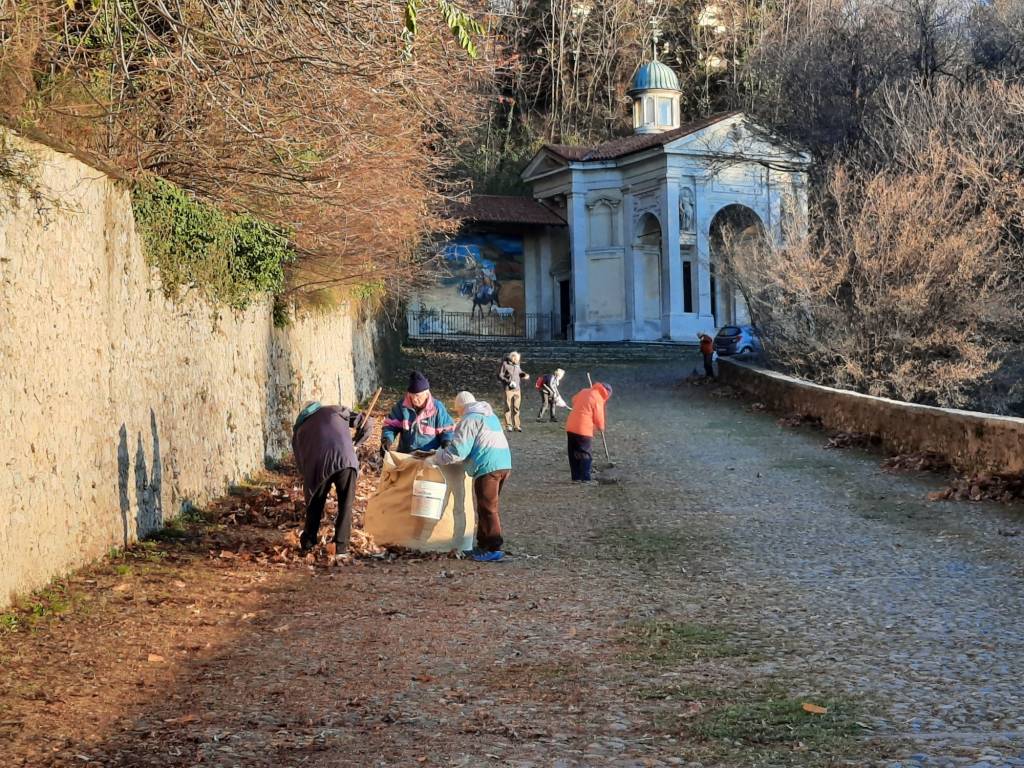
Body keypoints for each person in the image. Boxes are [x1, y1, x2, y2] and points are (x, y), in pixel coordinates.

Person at [426, 391, 512, 562]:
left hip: (487, 466)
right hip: (504, 463)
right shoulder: (489, 415)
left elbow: (458, 451)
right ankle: (483, 545)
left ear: (460, 408)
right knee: (487, 506)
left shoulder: (470, 419)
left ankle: (493, 547)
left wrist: (436, 458)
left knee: (487, 508)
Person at [292, 400, 374, 559]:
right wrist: (356, 444)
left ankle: (308, 544)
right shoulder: (336, 411)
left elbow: (301, 466)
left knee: (315, 504)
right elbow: (367, 422)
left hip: (318, 465)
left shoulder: (299, 432)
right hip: (347, 461)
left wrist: (311, 485)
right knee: (346, 505)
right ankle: (341, 548)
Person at [381, 371, 456, 456]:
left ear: (427, 393)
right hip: (406, 455)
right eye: (411, 396)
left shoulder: (437, 408)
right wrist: (386, 439)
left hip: (430, 456)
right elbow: (390, 425)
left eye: (418, 396)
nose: (414, 399)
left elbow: (448, 429)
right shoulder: (402, 406)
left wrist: (447, 442)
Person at [564, 382, 613, 484]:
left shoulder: (584, 391)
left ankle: (576, 478)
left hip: (571, 426)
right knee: (585, 453)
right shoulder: (598, 398)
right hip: (583, 429)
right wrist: (601, 427)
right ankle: (586, 479)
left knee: (573, 453)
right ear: (607, 394)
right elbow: (599, 417)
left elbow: (574, 400)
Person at [497, 351, 530, 432]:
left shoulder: (517, 365)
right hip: (508, 390)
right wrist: (508, 382)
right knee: (508, 408)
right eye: (517, 359)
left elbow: (520, 373)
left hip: (517, 390)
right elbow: (499, 375)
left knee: (516, 408)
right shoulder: (505, 364)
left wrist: (525, 375)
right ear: (513, 358)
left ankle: (517, 426)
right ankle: (508, 425)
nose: (518, 361)